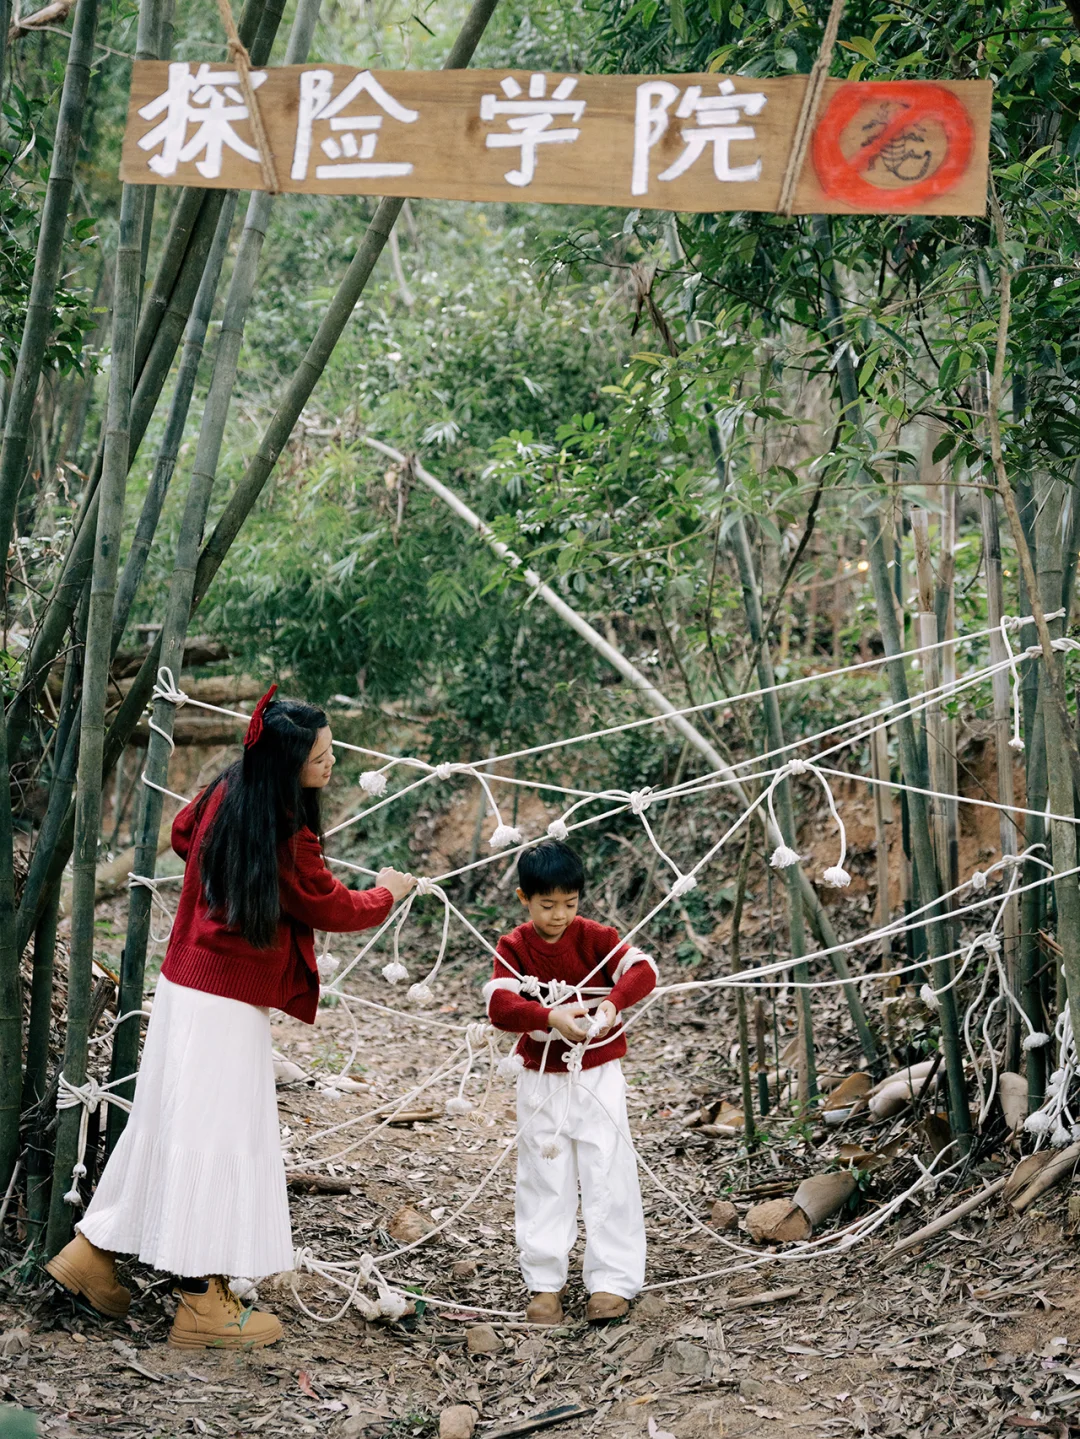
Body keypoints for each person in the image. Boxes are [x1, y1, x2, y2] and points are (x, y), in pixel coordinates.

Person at [46, 687, 415, 1348]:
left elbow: (185, 833)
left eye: (332, 751)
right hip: (225, 1002)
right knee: (217, 1137)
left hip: (184, 983)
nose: (330, 763)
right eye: (320, 755)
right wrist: (389, 889)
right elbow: (330, 905)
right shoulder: (283, 828)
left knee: (169, 1120)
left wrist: (237, 879)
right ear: (286, 763)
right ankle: (201, 1300)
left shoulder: (229, 792)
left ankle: (92, 1252)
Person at [484, 839, 657, 1325]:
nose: (560, 915)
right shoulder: (514, 946)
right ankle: (544, 1284)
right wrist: (550, 1016)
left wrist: (611, 1004)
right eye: (547, 905)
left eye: (570, 903)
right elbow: (499, 1006)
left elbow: (644, 970)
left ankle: (612, 1281)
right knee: (543, 1175)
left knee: (608, 1170)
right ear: (524, 898)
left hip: (599, 1073)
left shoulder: (596, 938)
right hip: (541, 1077)